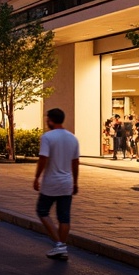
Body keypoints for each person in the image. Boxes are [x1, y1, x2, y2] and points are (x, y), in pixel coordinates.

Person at [34, 108, 80, 260]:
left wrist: (36, 177)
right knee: (64, 217)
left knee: (42, 210)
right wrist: (75, 181)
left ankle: (59, 244)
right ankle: (62, 248)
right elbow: (75, 162)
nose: (47, 121)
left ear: (51, 120)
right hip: (67, 182)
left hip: (51, 182)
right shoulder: (73, 138)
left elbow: (43, 159)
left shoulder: (47, 137)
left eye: (47, 119)